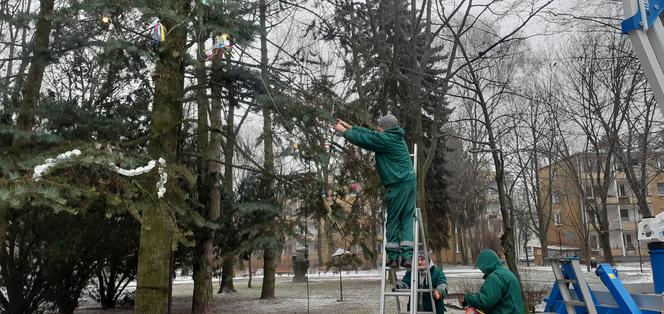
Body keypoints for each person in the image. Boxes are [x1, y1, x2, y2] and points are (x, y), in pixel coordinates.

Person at [334, 115, 416, 268]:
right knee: (406, 220)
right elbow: (371, 134)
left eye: (379, 127)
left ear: (385, 128)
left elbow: (365, 140)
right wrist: (350, 127)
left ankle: (392, 258)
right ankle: (407, 258)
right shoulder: (394, 136)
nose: (377, 128)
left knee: (393, 220)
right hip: (410, 183)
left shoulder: (385, 140)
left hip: (397, 185)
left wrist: (344, 133)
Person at [459, 249, 525, 314]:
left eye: (481, 267)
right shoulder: (506, 273)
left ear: (486, 264)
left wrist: (467, 298)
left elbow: (485, 301)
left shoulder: (494, 277)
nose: (482, 271)